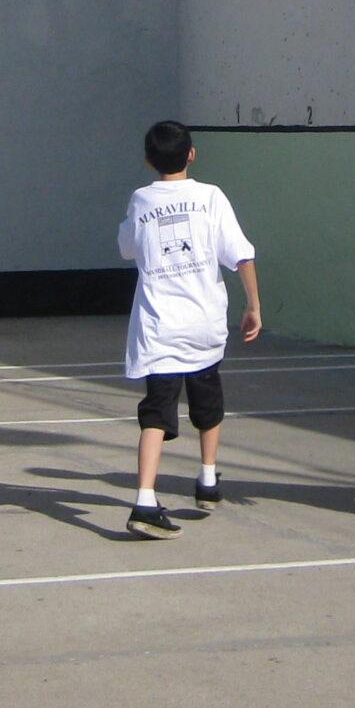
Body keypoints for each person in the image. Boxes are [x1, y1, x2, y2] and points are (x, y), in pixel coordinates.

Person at [118, 119, 261, 536]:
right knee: (209, 403)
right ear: (192, 155)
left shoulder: (141, 200)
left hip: (159, 329)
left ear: (148, 159)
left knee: (155, 414)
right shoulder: (211, 197)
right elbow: (241, 254)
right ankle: (208, 478)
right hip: (204, 325)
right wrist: (253, 304)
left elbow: (128, 248)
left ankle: (145, 499)